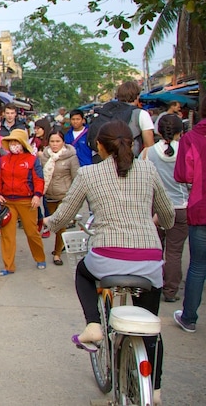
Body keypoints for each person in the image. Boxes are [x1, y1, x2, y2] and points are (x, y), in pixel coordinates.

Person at [43, 121, 173, 398]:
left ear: (99, 146)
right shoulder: (148, 170)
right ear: (132, 144)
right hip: (149, 261)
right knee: (151, 326)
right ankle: (156, 389)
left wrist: (48, 223)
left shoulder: (90, 173)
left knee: (82, 271)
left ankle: (93, 325)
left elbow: (64, 215)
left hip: (106, 257)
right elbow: (169, 216)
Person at [143, 114, 189, 303]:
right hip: (181, 207)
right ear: (180, 132)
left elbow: (144, 180)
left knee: (156, 249)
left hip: (156, 208)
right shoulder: (187, 150)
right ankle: (171, 291)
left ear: (158, 132)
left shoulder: (148, 152)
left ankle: (154, 285)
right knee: (174, 252)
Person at [0, 129, 46, 275]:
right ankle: (8, 266)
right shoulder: (3, 161)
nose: (13, 145)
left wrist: (37, 195)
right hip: (8, 202)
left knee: (31, 232)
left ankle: (40, 257)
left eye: (16, 142)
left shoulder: (32, 160)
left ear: (22, 144)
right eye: (11, 142)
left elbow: (39, 180)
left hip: (27, 201)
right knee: (7, 235)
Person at [174, 94, 205, 333]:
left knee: (197, 266)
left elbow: (183, 175)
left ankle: (189, 317)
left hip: (200, 207)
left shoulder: (191, 138)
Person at [38, 129, 80, 265]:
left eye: (58, 141)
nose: (55, 144)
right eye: (52, 141)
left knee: (60, 224)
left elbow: (76, 178)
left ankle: (57, 254)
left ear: (63, 142)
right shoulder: (43, 156)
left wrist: (74, 197)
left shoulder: (71, 157)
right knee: (54, 225)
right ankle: (60, 246)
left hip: (64, 196)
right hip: (48, 196)